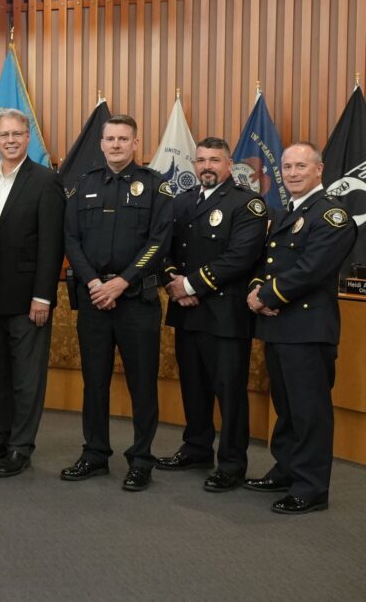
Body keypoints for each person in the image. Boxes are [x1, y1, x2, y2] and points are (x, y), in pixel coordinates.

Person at [61, 114, 173, 492]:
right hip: (94, 298)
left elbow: (159, 242)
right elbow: (71, 240)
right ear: (102, 143)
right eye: (110, 138)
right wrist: (95, 282)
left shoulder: (156, 187)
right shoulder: (83, 185)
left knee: (142, 385)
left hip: (136, 300)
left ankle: (141, 460)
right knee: (94, 382)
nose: (116, 145)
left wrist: (122, 282)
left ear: (136, 143)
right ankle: (94, 453)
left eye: (124, 139)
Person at [246, 142, 357, 514]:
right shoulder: (283, 214)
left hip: (309, 329)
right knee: (287, 407)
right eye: (288, 167)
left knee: (310, 411)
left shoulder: (331, 215)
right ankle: (287, 468)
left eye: (301, 167)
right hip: (279, 327)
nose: (293, 173)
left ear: (319, 170)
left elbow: (312, 268)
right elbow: (266, 261)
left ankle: (311, 488)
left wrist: (268, 297)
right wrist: (254, 289)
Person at [156, 137, 267, 491]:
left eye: (214, 160)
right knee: (194, 385)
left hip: (225, 316)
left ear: (229, 164)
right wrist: (172, 278)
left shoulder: (247, 204)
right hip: (188, 314)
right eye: (201, 159)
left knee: (229, 393)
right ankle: (197, 447)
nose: (206, 166)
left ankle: (232, 463)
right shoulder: (183, 201)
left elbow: (241, 256)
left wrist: (188, 287)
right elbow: (164, 247)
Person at [0, 112, 66, 477]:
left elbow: (51, 245)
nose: (10, 140)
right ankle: (4, 436)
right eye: (4, 135)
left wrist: (43, 297)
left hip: (27, 299)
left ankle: (22, 447)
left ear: (28, 138)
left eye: (17, 134)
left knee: (26, 377)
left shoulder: (46, 181)